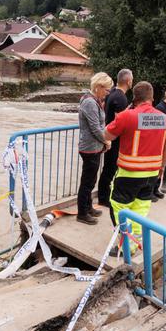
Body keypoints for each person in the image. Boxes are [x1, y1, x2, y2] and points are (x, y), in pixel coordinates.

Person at [104, 81, 166, 248]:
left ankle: (125, 246)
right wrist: (161, 167)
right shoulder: (164, 118)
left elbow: (107, 134)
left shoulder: (127, 116)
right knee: (140, 210)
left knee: (119, 209)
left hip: (129, 174)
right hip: (152, 175)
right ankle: (135, 244)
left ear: (134, 98)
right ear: (152, 98)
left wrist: (122, 115)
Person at [75, 72, 113, 225]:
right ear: (98, 87)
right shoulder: (90, 102)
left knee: (91, 180)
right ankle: (82, 213)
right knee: (88, 181)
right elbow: (95, 128)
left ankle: (88, 207)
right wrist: (107, 140)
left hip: (94, 147)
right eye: (107, 89)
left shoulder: (92, 100)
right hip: (90, 148)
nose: (108, 93)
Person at [97, 69, 133, 208]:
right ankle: (103, 197)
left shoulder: (112, 93)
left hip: (109, 135)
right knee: (110, 169)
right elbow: (121, 121)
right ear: (128, 81)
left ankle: (103, 194)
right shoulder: (121, 97)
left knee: (108, 168)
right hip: (115, 138)